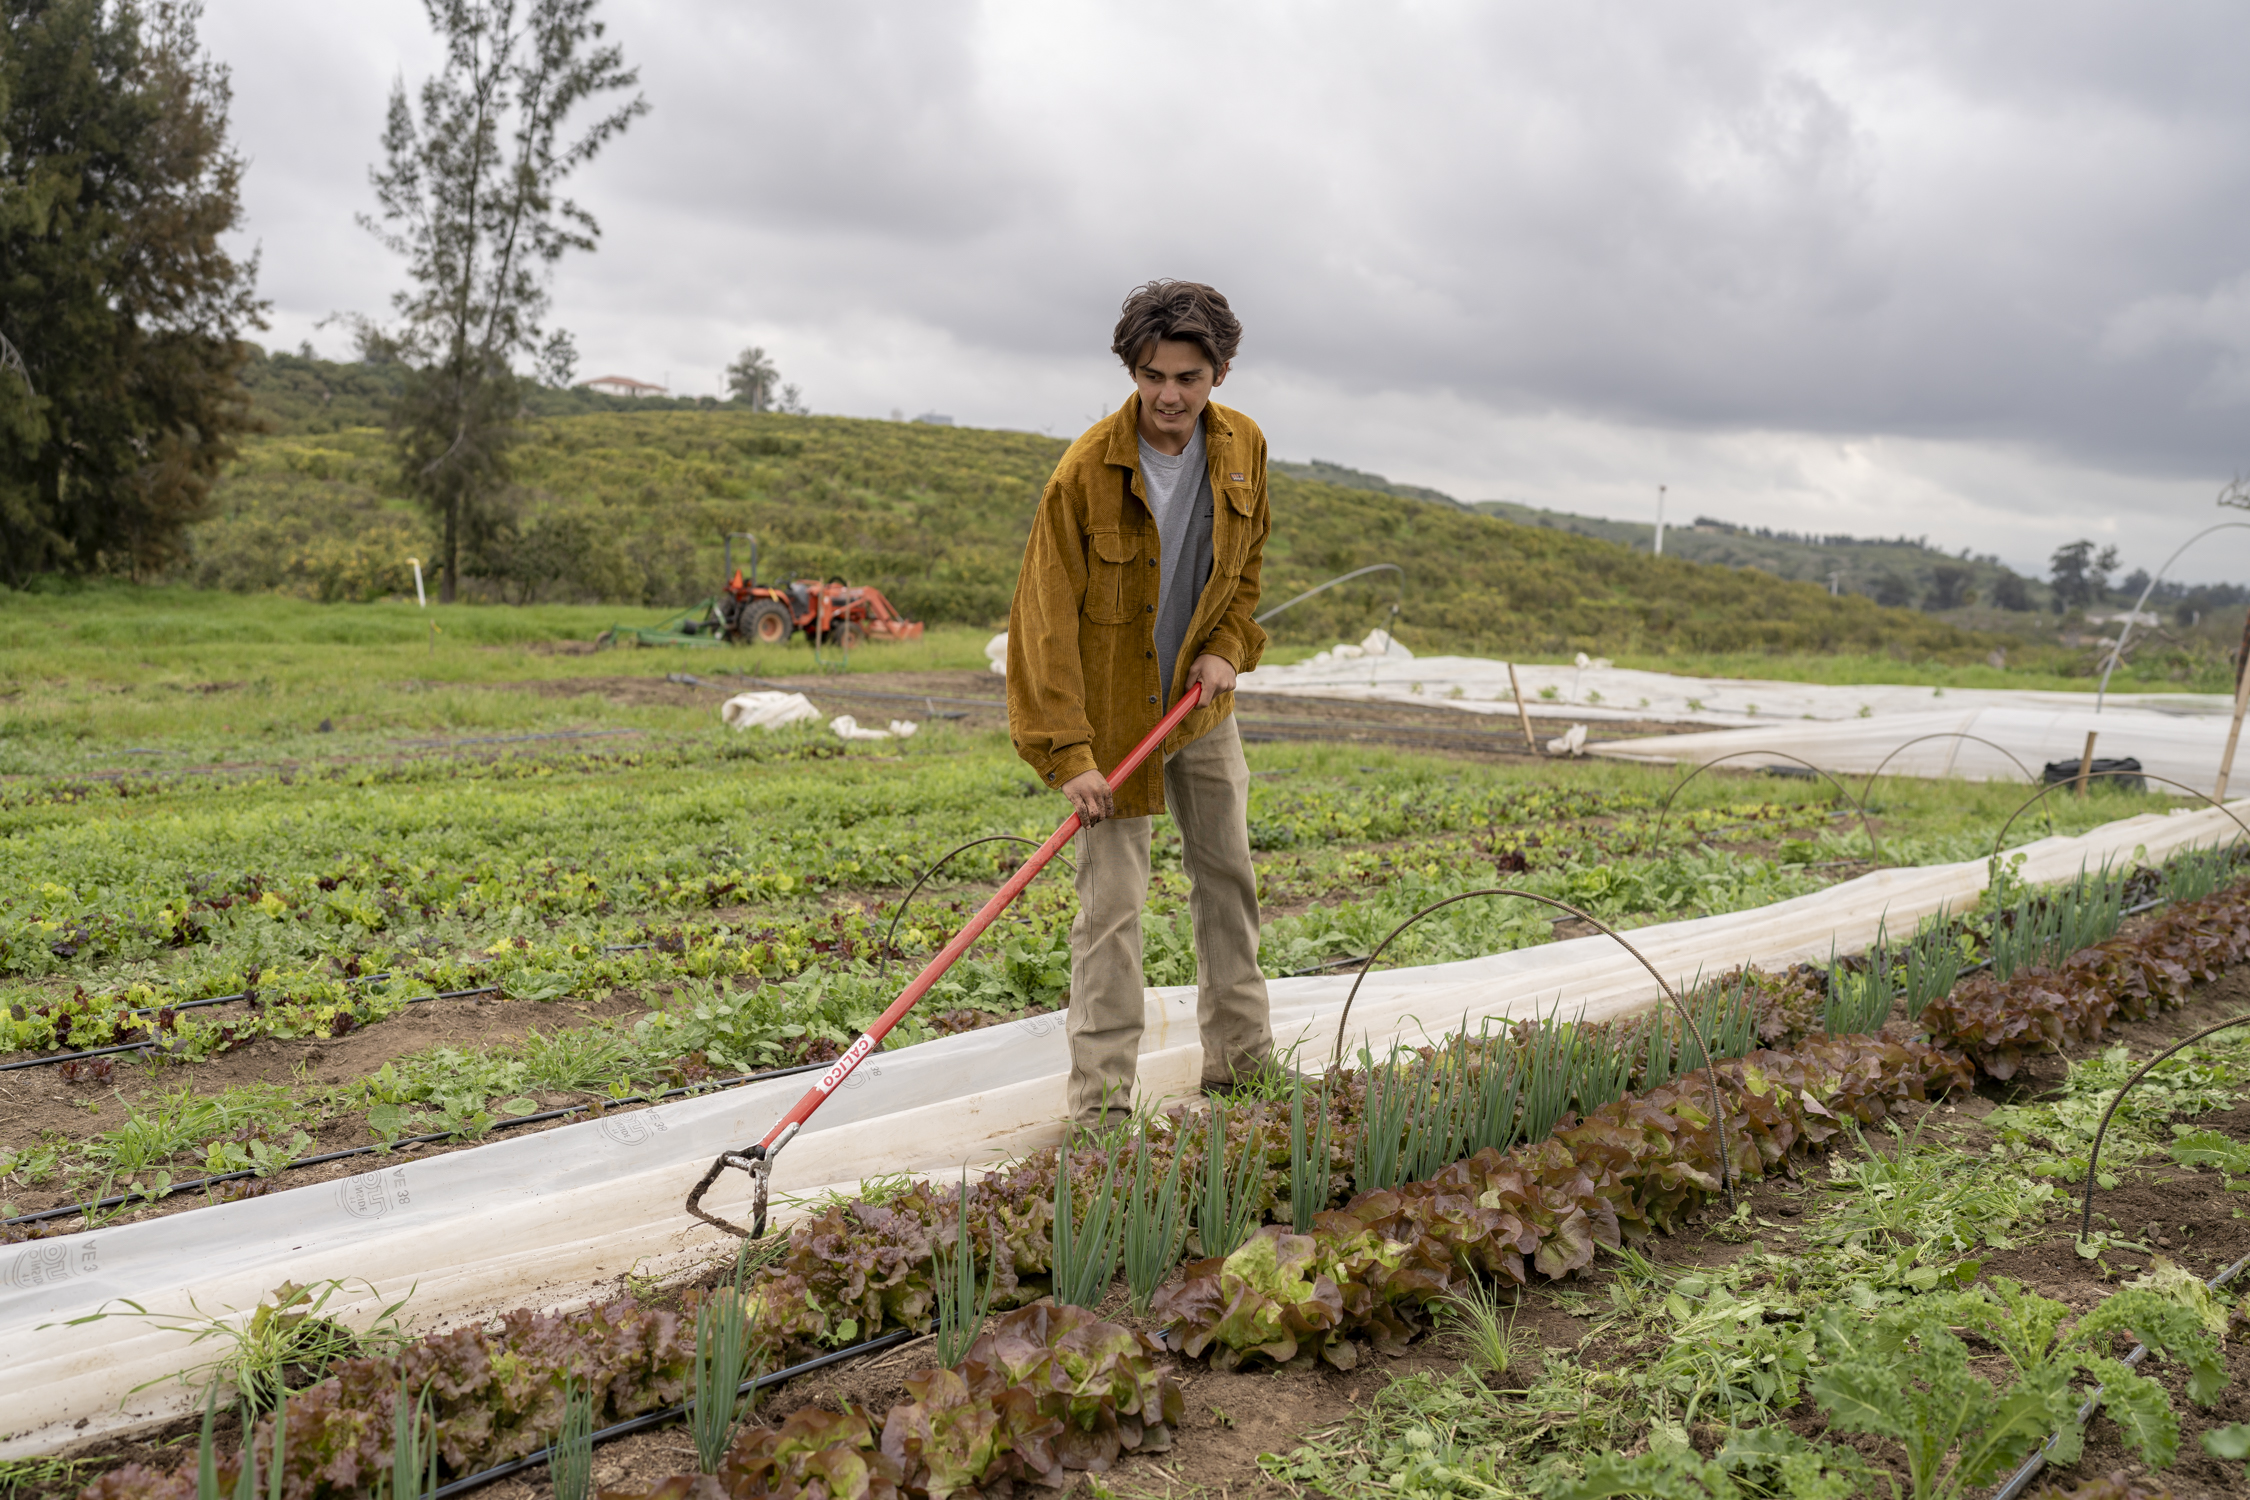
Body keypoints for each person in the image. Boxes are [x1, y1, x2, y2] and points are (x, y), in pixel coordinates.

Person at [1006, 279, 1276, 1129]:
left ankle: (1242, 1067)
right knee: (1112, 907)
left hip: (1199, 713)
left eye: (1189, 377)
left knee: (1228, 878)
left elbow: (1247, 573)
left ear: (1219, 374)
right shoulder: (1086, 472)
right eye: (1155, 374)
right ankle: (1101, 1106)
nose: (1170, 396)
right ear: (1133, 368)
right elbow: (1042, 622)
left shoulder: (1244, 451)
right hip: (1116, 725)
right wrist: (1068, 753)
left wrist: (1228, 649)